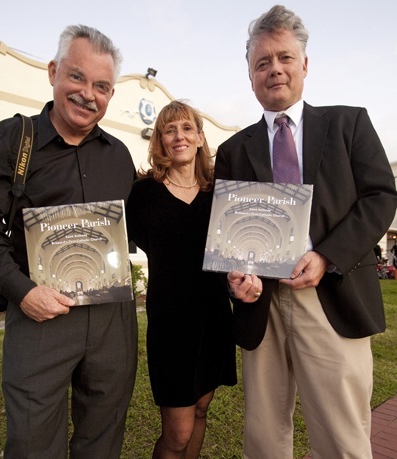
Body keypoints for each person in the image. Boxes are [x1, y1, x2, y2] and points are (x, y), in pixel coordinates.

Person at [215, 5, 397, 459]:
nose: (273, 69)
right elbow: (229, 232)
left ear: (304, 64)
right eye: (262, 62)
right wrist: (237, 277)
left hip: (331, 297)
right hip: (263, 307)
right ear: (250, 76)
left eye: (284, 58)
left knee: (341, 438)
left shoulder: (348, 123)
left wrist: (326, 256)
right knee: (263, 437)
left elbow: (380, 197)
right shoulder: (233, 150)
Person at [0, 25, 137, 459]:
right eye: (76, 77)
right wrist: (23, 291)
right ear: (54, 72)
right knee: (32, 442)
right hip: (40, 315)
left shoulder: (119, 155)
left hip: (112, 320)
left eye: (102, 86)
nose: (88, 94)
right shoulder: (12, 140)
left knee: (103, 435)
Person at [126, 100, 262, 459]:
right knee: (177, 432)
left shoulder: (220, 195)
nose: (179, 136)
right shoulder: (142, 194)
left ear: (201, 138)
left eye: (187, 128)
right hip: (171, 324)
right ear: (160, 140)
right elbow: (146, 241)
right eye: (169, 130)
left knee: (201, 410)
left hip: (214, 318)